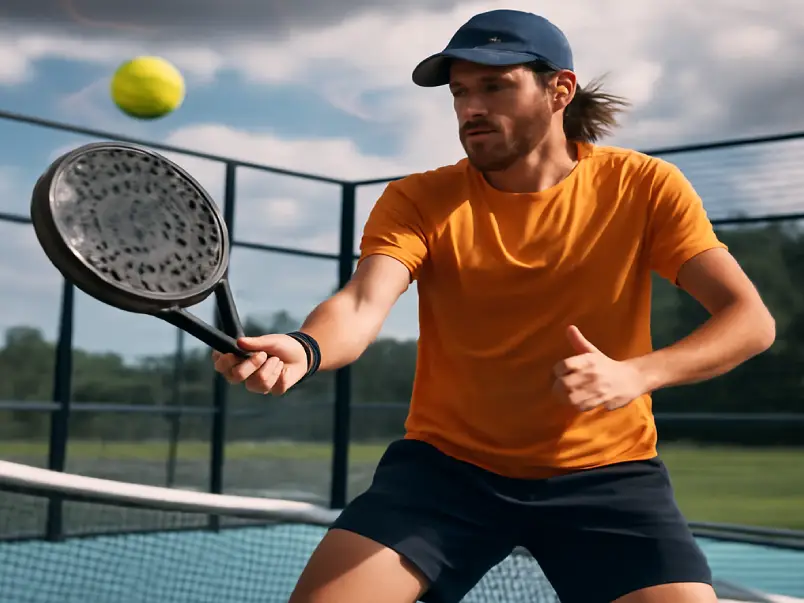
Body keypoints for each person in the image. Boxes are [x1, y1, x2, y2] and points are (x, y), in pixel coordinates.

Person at [212, 9, 776, 603]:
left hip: (606, 476)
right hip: (445, 474)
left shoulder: (644, 187)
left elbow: (749, 319)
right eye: (460, 92)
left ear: (560, 89)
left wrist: (635, 374)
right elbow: (360, 303)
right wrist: (304, 348)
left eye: (494, 86)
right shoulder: (418, 198)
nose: (470, 108)